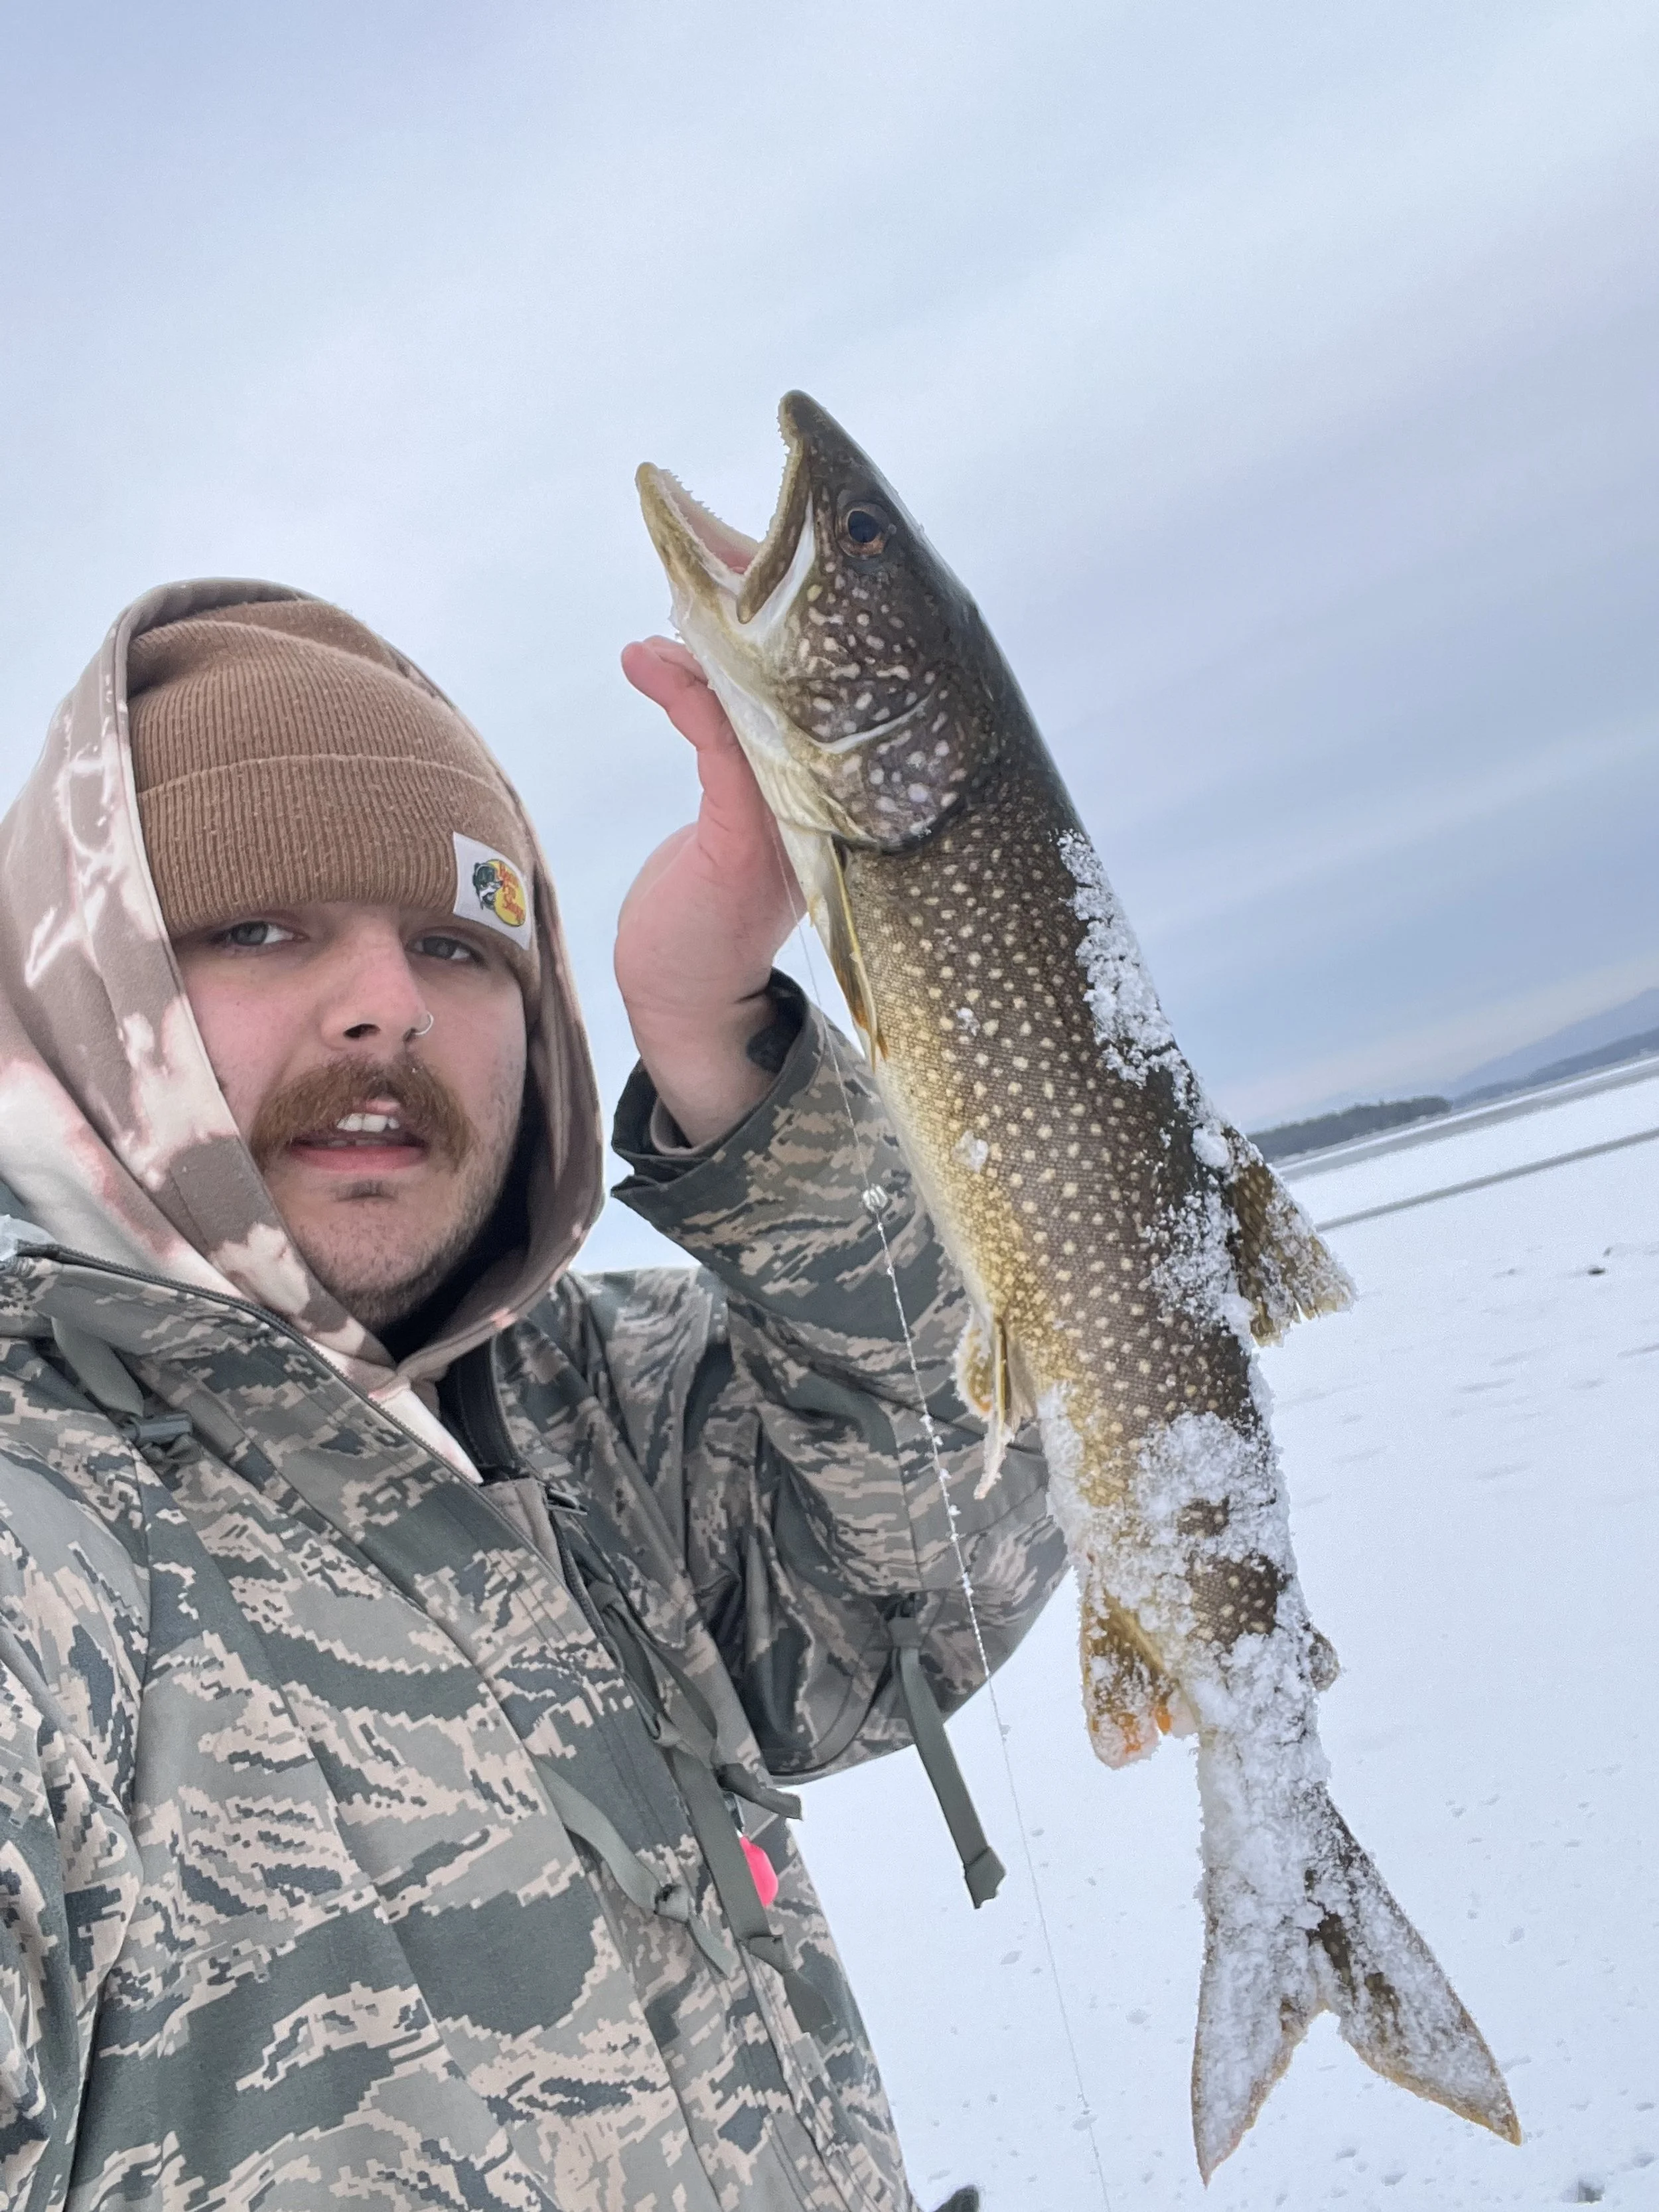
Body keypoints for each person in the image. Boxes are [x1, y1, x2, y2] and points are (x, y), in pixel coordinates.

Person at [0, 583, 1064, 2212]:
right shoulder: (44, 1543)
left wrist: (725, 1049)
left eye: (454, 942)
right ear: (81, 973)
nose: (388, 1004)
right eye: (260, 927)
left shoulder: (569, 1405)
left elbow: (923, 1580)